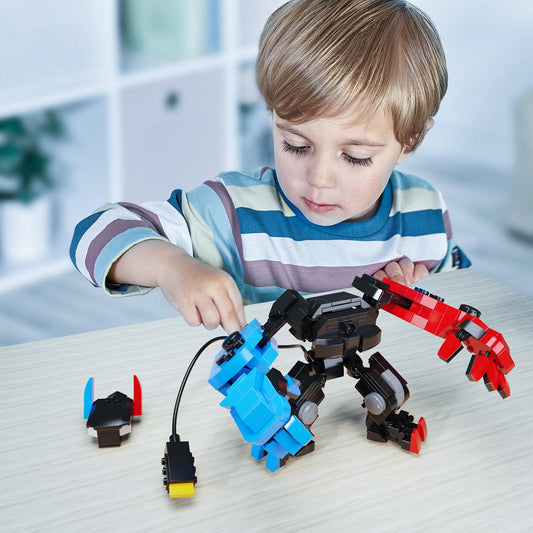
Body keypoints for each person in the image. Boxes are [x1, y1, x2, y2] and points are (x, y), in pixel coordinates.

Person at [70, 0, 470, 335]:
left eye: (355, 157)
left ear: (409, 141)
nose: (319, 178)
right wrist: (171, 267)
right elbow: (94, 233)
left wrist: (419, 297)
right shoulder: (232, 214)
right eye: (296, 145)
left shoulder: (426, 216)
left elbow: (465, 302)